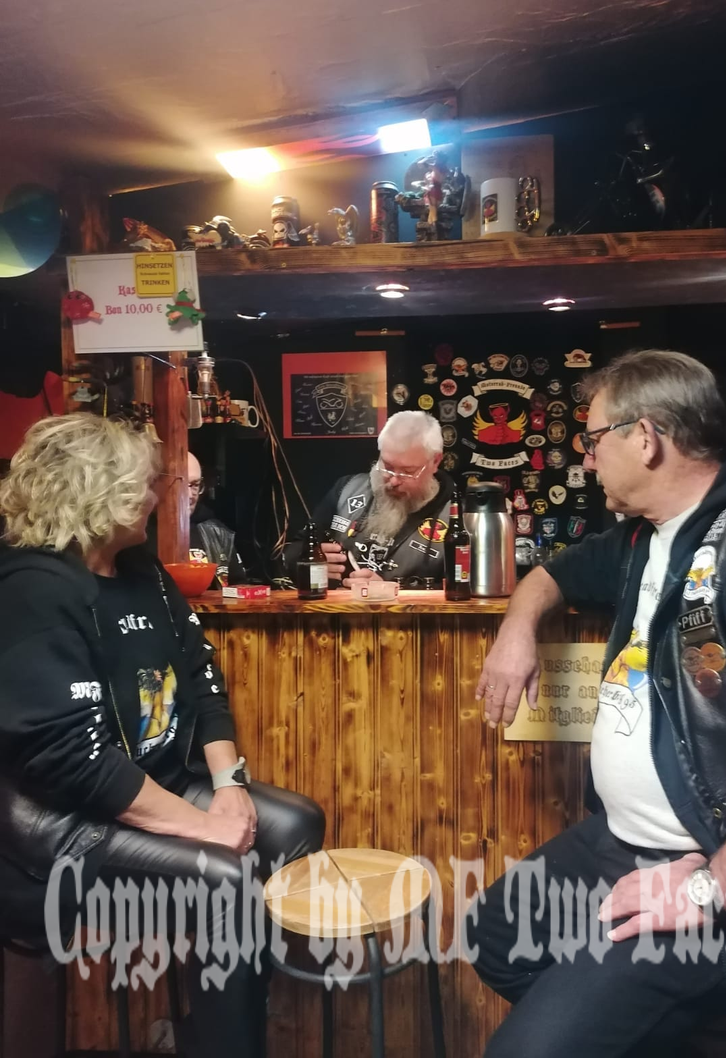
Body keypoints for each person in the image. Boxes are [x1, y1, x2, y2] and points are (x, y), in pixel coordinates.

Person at [467, 350, 726, 1055]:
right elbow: (549, 574)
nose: (587, 459)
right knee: (496, 935)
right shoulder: (644, 537)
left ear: (646, 438)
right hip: (623, 841)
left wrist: (708, 885)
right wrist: (515, 631)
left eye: (594, 439)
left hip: (713, 865)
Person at [0, 414, 325, 1058]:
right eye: (145, 484)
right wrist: (202, 827)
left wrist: (229, 785)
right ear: (102, 492)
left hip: (157, 783)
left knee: (295, 825)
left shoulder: (140, 569)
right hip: (65, 825)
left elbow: (201, 677)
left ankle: (211, 1021)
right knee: (224, 882)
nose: (157, 497)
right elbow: (75, 761)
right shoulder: (32, 590)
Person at [288, 410, 454, 585]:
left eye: (407, 471)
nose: (393, 480)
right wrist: (307, 561)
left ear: (435, 461)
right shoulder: (347, 489)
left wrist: (393, 591)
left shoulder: (455, 517)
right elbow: (295, 548)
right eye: (387, 466)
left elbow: (463, 588)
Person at [188, 450, 248, 586]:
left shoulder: (218, 533)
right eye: (181, 484)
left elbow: (239, 586)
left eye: (195, 485)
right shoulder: (142, 535)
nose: (190, 495)